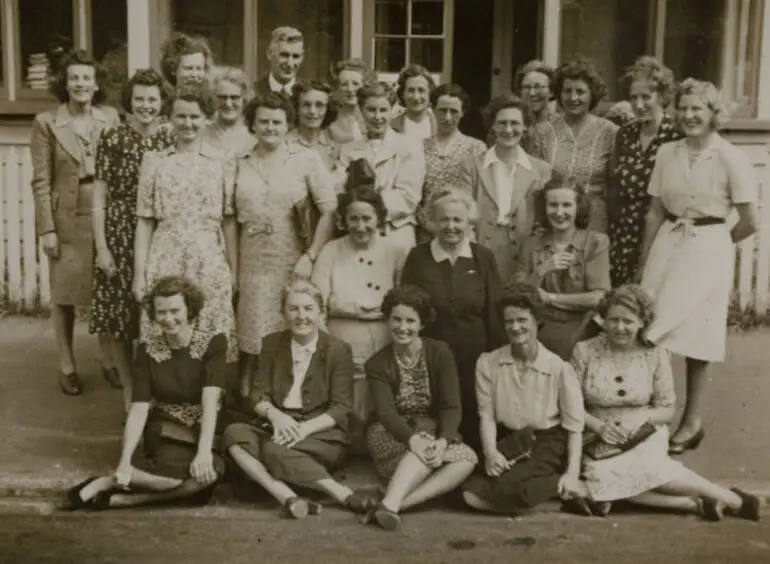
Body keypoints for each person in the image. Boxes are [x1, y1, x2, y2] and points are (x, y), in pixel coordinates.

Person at [569, 285, 760, 521]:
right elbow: (571, 405)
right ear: (603, 320)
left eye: (628, 321)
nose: (619, 328)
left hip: (644, 430)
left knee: (648, 469)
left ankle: (734, 500)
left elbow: (666, 409)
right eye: (613, 320)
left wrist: (641, 417)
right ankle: (692, 504)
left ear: (642, 322)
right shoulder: (584, 351)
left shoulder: (655, 354)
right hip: (598, 437)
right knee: (602, 478)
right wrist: (599, 427)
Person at [639, 78, 758, 454]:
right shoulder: (667, 152)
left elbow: (750, 221)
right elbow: (655, 210)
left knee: (697, 334)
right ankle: (648, 416)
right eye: (684, 108)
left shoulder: (730, 157)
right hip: (668, 241)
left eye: (698, 109)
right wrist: (643, 263)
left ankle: (692, 422)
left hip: (708, 247)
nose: (689, 116)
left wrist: (718, 245)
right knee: (650, 325)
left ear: (713, 114)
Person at [66, 276, 233, 510]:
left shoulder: (214, 343)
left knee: (212, 469)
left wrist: (204, 452)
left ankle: (124, 494)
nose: (168, 319)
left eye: (175, 310)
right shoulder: (147, 350)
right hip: (166, 427)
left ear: (190, 309)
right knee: (191, 478)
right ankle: (124, 479)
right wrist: (124, 461)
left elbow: (210, 402)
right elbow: (139, 408)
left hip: (203, 426)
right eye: (161, 312)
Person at [223, 280, 379, 518]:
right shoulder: (272, 343)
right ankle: (289, 497)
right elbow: (257, 394)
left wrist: (302, 429)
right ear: (283, 312)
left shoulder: (338, 349)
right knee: (234, 434)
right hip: (277, 426)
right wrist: (277, 417)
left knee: (272, 450)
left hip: (321, 432)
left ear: (320, 312)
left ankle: (341, 494)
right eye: (293, 308)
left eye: (308, 308)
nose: (301, 316)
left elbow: (341, 407)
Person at [30, 48, 121, 396]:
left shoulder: (109, 118)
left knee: (105, 288)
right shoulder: (47, 123)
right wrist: (47, 228)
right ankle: (67, 364)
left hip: (104, 212)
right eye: (74, 79)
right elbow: (41, 180)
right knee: (65, 295)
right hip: (66, 217)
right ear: (65, 85)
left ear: (96, 85)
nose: (81, 84)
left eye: (86, 78)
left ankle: (109, 359)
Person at [235, 93, 337, 389]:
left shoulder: (305, 158)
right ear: (252, 125)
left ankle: (297, 396)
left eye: (277, 122)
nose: (270, 128)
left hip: (293, 260)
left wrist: (312, 254)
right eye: (263, 121)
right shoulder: (241, 162)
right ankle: (255, 400)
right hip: (252, 261)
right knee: (254, 335)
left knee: (295, 323)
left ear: (287, 124)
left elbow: (329, 209)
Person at [133, 84, 238, 364]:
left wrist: (233, 270)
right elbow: (144, 222)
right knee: (166, 324)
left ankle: (210, 398)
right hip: (165, 254)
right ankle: (166, 399)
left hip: (208, 256)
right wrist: (139, 275)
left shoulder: (222, 161)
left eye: (195, 116)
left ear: (206, 118)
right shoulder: (154, 161)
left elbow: (228, 221)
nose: (188, 123)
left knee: (209, 325)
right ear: (169, 118)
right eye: (181, 116)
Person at [89, 69, 175, 410]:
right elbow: (99, 197)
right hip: (120, 231)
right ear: (129, 101)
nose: (146, 106)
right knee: (122, 320)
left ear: (162, 102)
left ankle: (155, 392)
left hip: (159, 230)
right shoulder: (113, 137)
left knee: (158, 314)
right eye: (139, 99)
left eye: (152, 99)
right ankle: (129, 392)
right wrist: (102, 248)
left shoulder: (169, 137)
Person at [462, 284, 585, 514]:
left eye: (522, 320)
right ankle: (556, 502)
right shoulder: (489, 363)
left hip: (546, 443)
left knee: (512, 489)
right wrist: (491, 452)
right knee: (470, 494)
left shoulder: (559, 368)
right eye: (509, 321)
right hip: (509, 440)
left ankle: (567, 484)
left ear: (536, 320)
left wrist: (572, 472)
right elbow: (486, 415)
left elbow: (574, 426)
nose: (515, 327)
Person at [363, 285, 478, 530]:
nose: (403, 327)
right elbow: (386, 413)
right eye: (396, 319)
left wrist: (444, 440)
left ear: (422, 323)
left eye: (410, 321)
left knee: (467, 459)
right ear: (387, 319)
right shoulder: (376, 364)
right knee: (422, 448)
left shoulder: (440, 352)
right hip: (390, 434)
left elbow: (451, 406)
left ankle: (393, 504)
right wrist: (412, 439)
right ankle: (393, 502)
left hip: (431, 429)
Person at [401, 187, 506, 451]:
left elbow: (495, 312)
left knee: (474, 417)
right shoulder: (418, 257)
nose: (451, 227)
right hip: (432, 359)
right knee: (437, 420)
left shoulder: (483, 257)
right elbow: (408, 311)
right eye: (444, 219)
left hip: (475, 358)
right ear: (433, 222)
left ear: (468, 221)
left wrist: (496, 361)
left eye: (457, 220)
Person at [311, 187, 407, 440]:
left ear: (379, 218)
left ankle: (377, 438)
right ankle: (345, 438)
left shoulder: (395, 251)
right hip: (340, 338)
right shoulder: (331, 250)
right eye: (354, 218)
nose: (360, 226)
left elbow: (403, 300)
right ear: (343, 220)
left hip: (384, 337)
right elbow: (317, 300)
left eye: (367, 218)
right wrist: (348, 309)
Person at [511, 179, 610, 361]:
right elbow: (518, 295)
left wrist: (550, 298)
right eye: (553, 205)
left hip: (582, 329)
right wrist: (541, 270)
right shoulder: (531, 244)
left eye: (566, 205)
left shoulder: (596, 242)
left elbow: (599, 297)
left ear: (578, 207)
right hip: (540, 328)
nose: (559, 212)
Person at [609, 57, 683, 287]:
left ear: (662, 96)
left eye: (646, 97)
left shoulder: (676, 135)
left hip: (660, 234)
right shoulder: (626, 133)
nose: (639, 104)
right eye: (633, 97)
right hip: (623, 234)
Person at [462, 94, 551, 281]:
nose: (508, 129)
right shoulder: (473, 166)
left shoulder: (540, 170)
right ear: (492, 126)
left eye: (515, 123)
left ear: (525, 126)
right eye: (501, 123)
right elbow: (464, 214)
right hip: (481, 251)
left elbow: (543, 221)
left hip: (524, 255)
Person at [529, 57, 618, 233]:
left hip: (594, 221)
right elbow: (534, 187)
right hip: (553, 218)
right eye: (567, 91)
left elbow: (614, 189)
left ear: (592, 94)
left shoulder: (610, 132)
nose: (573, 98)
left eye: (580, 91)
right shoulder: (542, 132)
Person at [335, 82, 425, 255]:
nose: (377, 117)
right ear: (360, 111)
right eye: (371, 110)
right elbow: (338, 189)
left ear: (393, 111)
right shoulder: (348, 150)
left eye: (383, 110)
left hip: (395, 234)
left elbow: (407, 197)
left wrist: (362, 206)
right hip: (358, 232)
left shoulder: (409, 147)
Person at [419, 83, 486, 242]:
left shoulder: (476, 148)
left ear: (463, 113)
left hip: (461, 230)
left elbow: (479, 196)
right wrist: (429, 225)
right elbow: (414, 195)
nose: (447, 117)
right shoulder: (419, 147)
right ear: (433, 110)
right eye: (442, 110)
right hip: (426, 230)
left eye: (454, 111)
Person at [288, 80, 340, 170]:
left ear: (328, 109)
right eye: (306, 105)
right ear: (296, 108)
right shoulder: (283, 144)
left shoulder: (334, 149)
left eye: (319, 105)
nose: (312, 111)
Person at [204, 66, 256, 157]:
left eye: (234, 97)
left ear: (244, 98)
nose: (228, 104)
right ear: (214, 98)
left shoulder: (254, 135)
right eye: (222, 97)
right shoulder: (202, 133)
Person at [327, 58, 373, 144]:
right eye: (344, 84)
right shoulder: (331, 119)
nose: (350, 89)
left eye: (355, 84)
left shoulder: (372, 117)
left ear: (365, 85)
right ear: (338, 88)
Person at [516, 59, 558, 150]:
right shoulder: (513, 126)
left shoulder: (560, 126)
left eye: (538, 87)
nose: (532, 93)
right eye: (527, 87)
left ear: (551, 91)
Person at [391, 64, 437, 141]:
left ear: (430, 93)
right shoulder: (391, 127)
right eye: (411, 90)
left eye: (421, 90)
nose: (416, 97)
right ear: (403, 94)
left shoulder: (441, 125)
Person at [253, 27, 304, 97]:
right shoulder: (253, 91)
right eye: (284, 55)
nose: (290, 64)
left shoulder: (307, 93)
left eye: (296, 56)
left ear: (302, 57)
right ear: (269, 54)